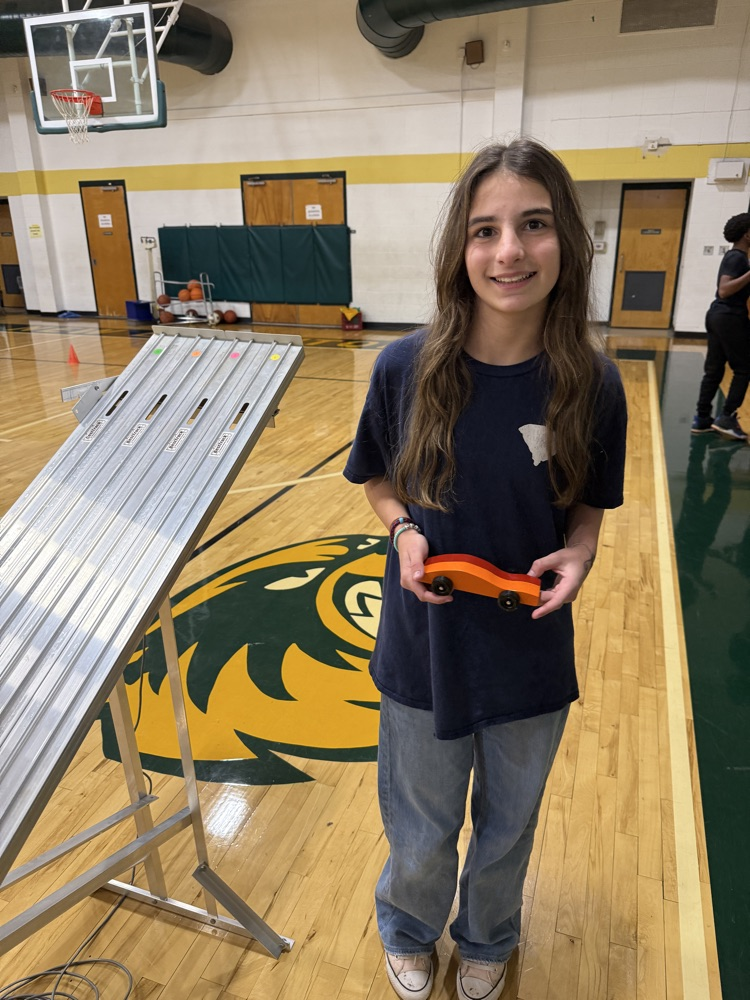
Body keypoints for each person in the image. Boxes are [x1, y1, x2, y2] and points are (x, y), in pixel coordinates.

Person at [343, 137, 627, 1000]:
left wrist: (579, 551)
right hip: (424, 651)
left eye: (533, 225)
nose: (509, 252)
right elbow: (379, 481)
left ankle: (489, 935)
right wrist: (402, 534)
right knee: (422, 828)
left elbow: (585, 507)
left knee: (508, 828)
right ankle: (408, 928)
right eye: (485, 230)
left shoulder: (593, 383)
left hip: (531, 651)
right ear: (458, 249)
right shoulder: (404, 368)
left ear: (566, 241)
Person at [691, 213, 750, 441]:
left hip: (718, 316)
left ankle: (702, 418)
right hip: (729, 317)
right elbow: (725, 290)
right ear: (747, 234)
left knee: (714, 369)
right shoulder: (737, 258)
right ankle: (727, 417)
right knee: (744, 368)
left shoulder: (736, 258)